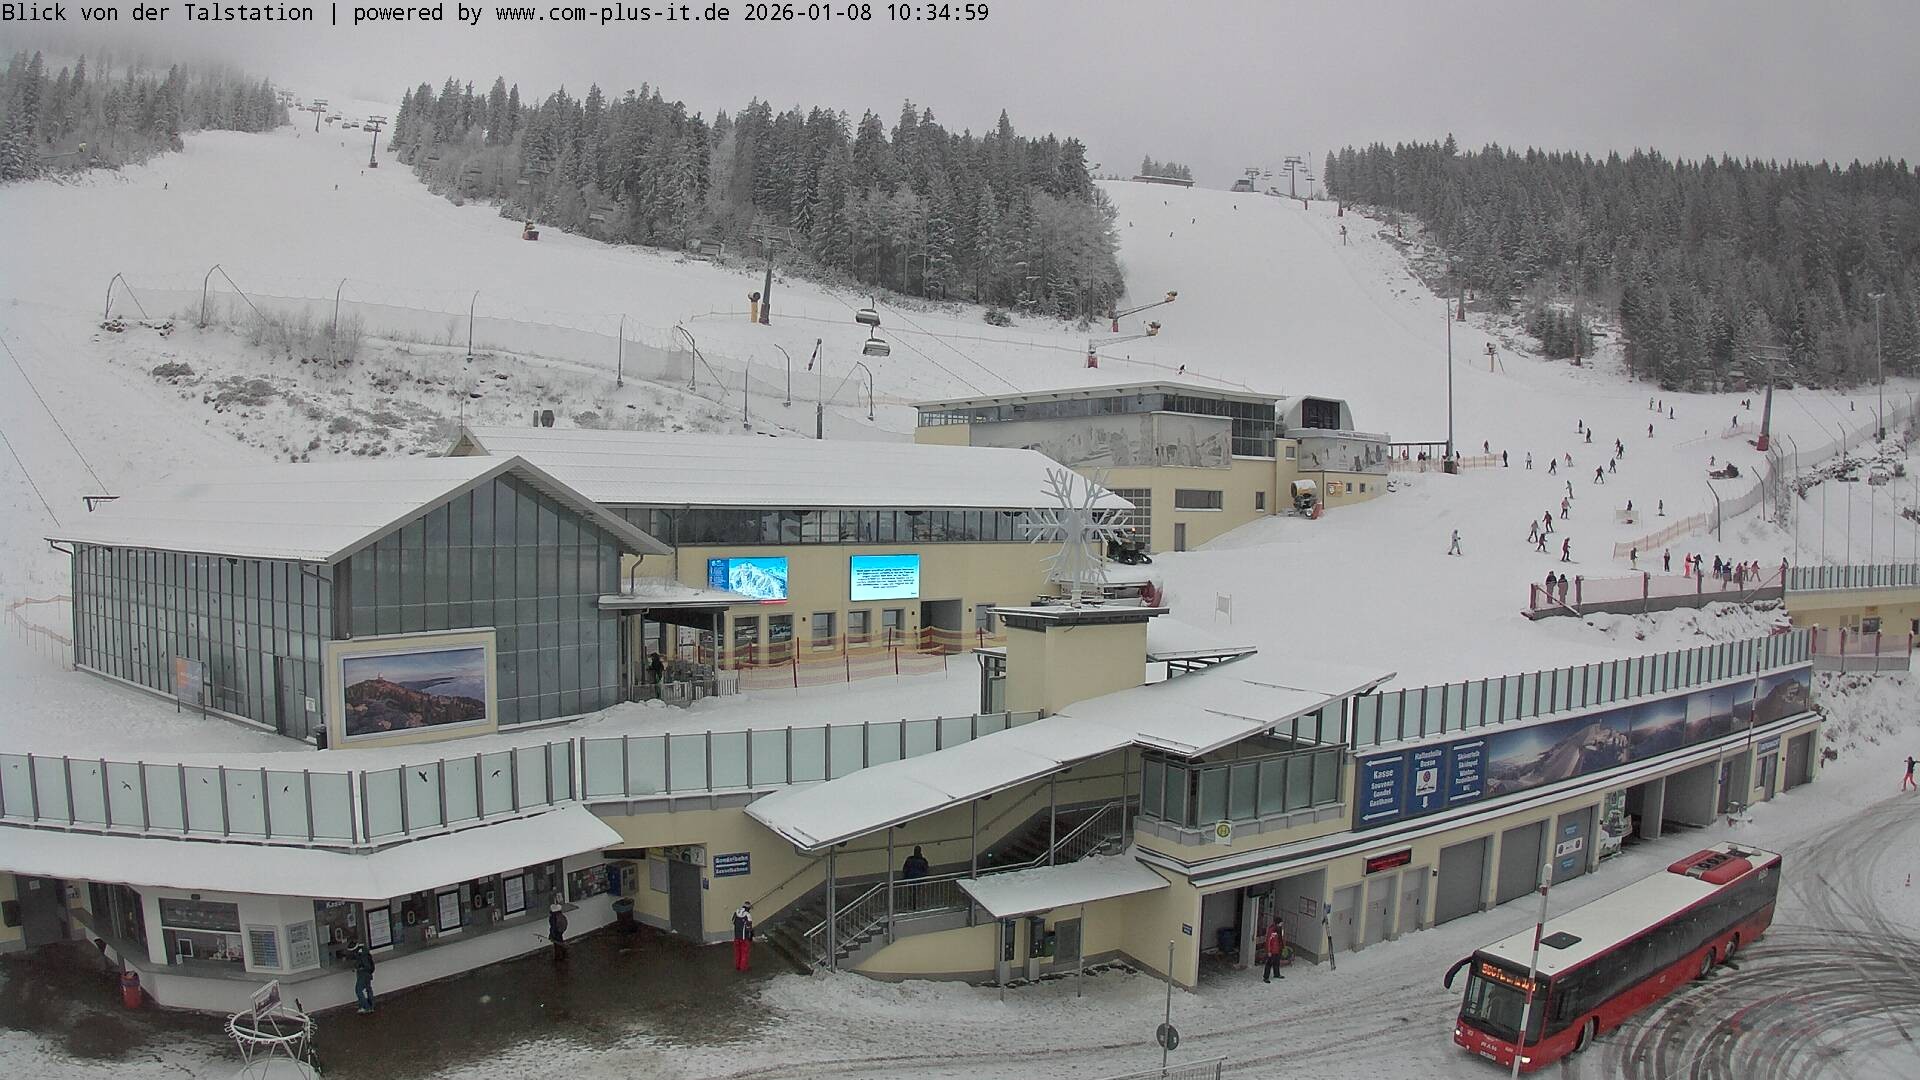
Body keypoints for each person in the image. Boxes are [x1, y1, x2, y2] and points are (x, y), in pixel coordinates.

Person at [352, 942, 376, 1014]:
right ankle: (371, 1006)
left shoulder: (360, 955)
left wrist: (358, 968)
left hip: (363, 974)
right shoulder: (364, 950)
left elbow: (363, 965)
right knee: (368, 989)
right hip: (368, 973)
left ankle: (366, 1007)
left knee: (358, 990)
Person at [732, 902, 755, 972]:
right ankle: (743, 967)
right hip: (744, 938)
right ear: (748, 908)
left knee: (737, 952)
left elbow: (733, 921)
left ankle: (737, 965)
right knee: (744, 953)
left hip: (736, 936)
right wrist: (751, 936)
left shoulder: (736, 912)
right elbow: (749, 928)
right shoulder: (748, 915)